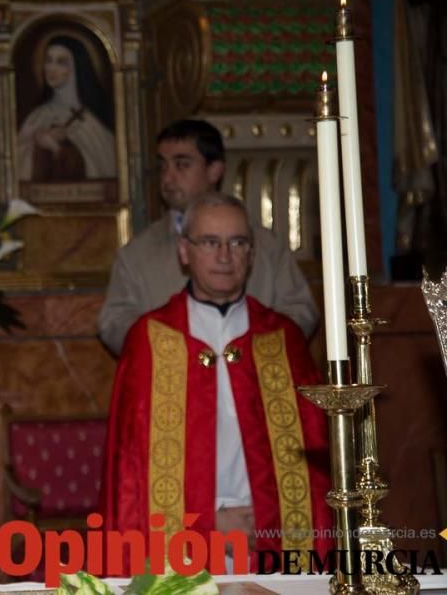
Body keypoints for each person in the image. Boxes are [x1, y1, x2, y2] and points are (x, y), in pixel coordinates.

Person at [99, 193, 332, 569]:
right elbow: (130, 477)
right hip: (183, 551)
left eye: (238, 242)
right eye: (210, 242)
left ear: (252, 254)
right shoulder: (150, 341)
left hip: (270, 543)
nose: (225, 256)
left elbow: (312, 472)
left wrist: (268, 520)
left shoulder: (282, 339)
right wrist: (208, 524)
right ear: (184, 251)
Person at [98, 119, 318, 356]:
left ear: (215, 170)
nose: (168, 178)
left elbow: (300, 309)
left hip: (250, 376)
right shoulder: (138, 252)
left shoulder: (264, 244)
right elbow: (113, 321)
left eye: (181, 165)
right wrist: (161, 347)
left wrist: (260, 346)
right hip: (174, 381)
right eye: (163, 166)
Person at [17, 34, 116, 183]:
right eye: (48, 60)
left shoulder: (91, 123)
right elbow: (15, 165)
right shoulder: (37, 116)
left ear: (76, 67)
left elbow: (104, 168)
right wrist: (37, 141)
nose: (51, 68)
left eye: (61, 62)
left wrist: (57, 148)